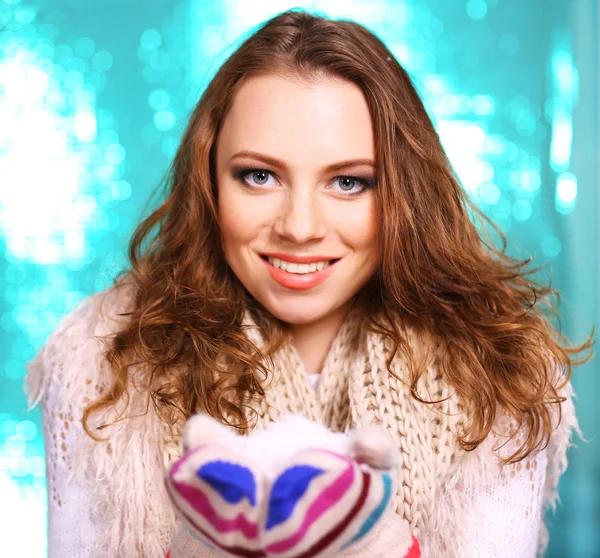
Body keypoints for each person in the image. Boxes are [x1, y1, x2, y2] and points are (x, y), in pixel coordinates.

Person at [24, 8, 593, 558]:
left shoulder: (497, 371)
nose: (299, 227)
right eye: (260, 175)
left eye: (348, 182)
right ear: (210, 183)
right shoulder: (100, 361)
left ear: (403, 194)